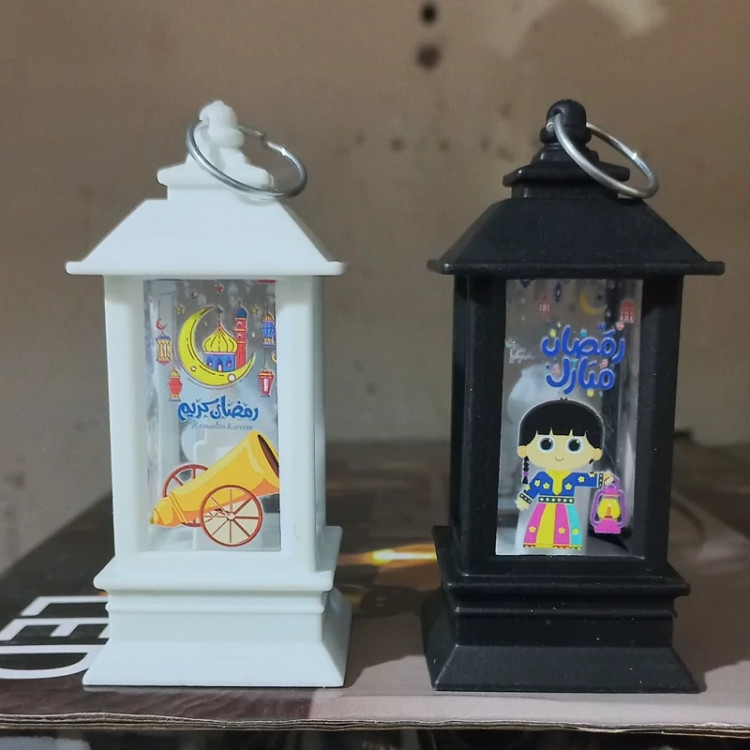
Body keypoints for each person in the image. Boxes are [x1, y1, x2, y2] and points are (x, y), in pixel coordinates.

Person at [516, 399, 613, 551]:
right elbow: (532, 488)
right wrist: (524, 499)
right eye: (546, 444)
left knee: (565, 530)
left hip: (565, 510)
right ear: (524, 449)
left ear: (595, 452)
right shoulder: (542, 477)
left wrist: (602, 479)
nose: (559, 454)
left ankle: (563, 548)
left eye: (574, 445)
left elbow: (585, 479)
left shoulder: (572, 478)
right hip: (544, 508)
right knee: (541, 528)